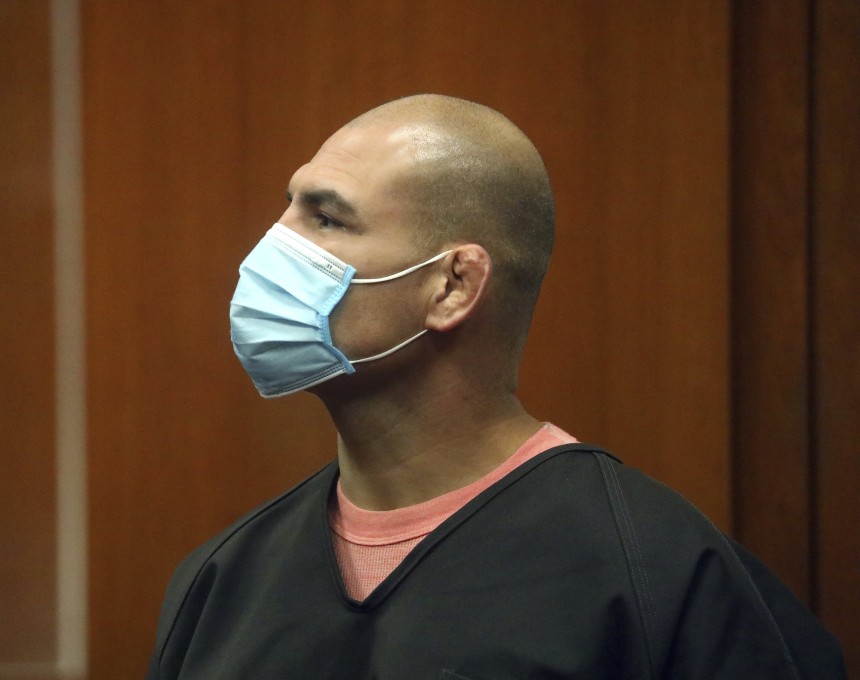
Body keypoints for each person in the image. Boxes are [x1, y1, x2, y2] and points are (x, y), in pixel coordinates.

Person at [146, 94, 846, 679]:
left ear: (452, 285)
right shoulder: (221, 580)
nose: (271, 247)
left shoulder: (657, 577)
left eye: (326, 218)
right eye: (289, 208)